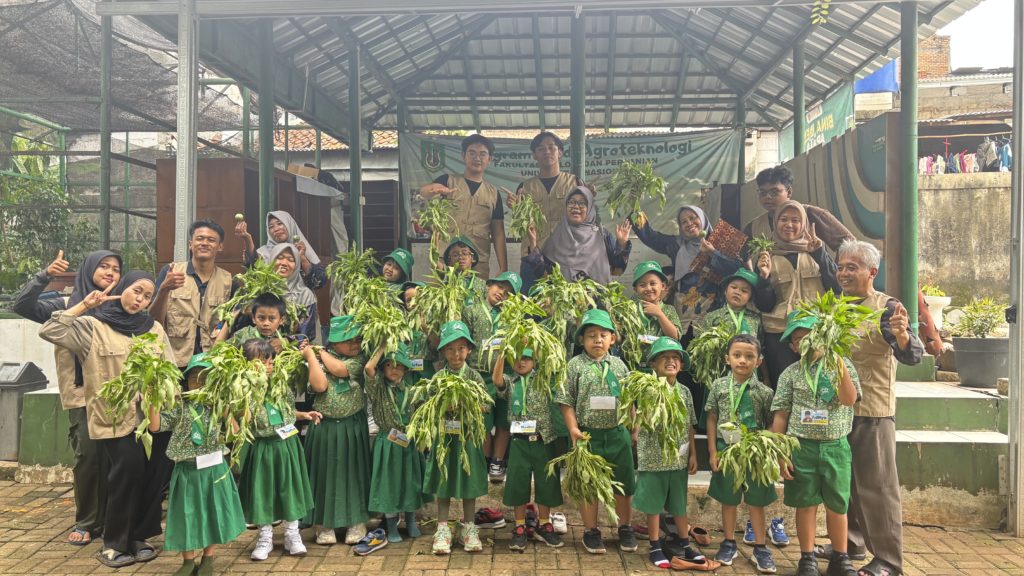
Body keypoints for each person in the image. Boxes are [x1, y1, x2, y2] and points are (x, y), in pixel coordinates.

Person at [39, 271, 174, 568]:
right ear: (122, 288)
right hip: (115, 417)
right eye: (136, 291)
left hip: (151, 417)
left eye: (147, 296)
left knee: (151, 476)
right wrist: (84, 305)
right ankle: (114, 543)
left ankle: (139, 536)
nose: (140, 300)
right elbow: (51, 330)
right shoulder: (93, 326)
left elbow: (168, 368)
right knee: (126, 474)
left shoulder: (153, 328)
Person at [12, 249, 121, 546]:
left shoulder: (118, 307)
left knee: (116, 457)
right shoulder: (64, 304)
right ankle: (87, 520)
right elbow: (21, 305)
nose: (111, 273)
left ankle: (113, 517)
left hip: (116, 395)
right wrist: (45, 276)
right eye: (104, 267)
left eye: (115, 269)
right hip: (83, 394)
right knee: (87, 457)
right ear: (88, 270)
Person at [827, 240, 923, 576]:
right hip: (839, 409)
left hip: (873, 411)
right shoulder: (837, 306)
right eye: (840, 267)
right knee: (847, 481)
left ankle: (888, 560)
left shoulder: (886, 308)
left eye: (851, 267)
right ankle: (851, 543)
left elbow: (913, 355)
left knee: (877, 486)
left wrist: (903, 337)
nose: (843, 273)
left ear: (872, 272)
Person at [771, 314, 861, 576]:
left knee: (837, 505)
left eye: (809, 336)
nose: (804, 342)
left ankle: (841, 557)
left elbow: (849, 399)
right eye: (798, 340)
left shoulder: (843, 366)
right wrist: (780, 452)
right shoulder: (790, 374)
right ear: (792, 347)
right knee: (805, 504)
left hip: (835, 446)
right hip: (802, 447)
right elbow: (781, 415)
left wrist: (839, 363)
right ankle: (807, 557)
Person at [149, 353, 246, 576]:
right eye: (194, 377)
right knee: (186, 515)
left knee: (213, 512)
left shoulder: (218, 406)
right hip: (187, 472)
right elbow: (155, 427)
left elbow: (235, 433)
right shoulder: (180, 406)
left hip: (214, 470)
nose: (199, 382)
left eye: (205, 377)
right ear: (187, 380)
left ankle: (208, 557)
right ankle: (188, 561)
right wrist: (153, 399)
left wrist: (226, 409)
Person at [554, 309, 636, 555]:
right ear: (582, 340)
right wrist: (573, 429)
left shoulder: (620, 365)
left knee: (622, 484)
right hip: (586, 436)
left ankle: (625, 527)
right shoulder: (575, 366)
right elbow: (565, 401)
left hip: (617, 433)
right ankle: (591, 531)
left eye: (603, 335)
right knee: (588, 484)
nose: (597, 340)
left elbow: (630, 398)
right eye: (591, 335)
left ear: (613, 338)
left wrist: (634, 426)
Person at [633, 338, 716, 571]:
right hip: (653, 458)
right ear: (654, 364)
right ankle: (654, 545)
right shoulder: (647, 388)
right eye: (664, 358)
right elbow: (638, 415)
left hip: (678, 459)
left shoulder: (685, 391)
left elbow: (690, 425)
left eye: (675, 358)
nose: (670, 362)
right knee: (653, 503)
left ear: (680, 365)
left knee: (679, 503)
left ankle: (685, 543)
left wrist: (692, 454)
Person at [239, 339, 321, 562]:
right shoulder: (242, 389)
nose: (268, 367)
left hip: (287, 445)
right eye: (261, 363)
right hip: (263, 447)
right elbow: (242, 419)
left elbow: (286, 410)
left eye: (270, 362)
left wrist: (304, 415)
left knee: (289, 488)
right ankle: (264, 536)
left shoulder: (279, 384)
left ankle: (292, 534)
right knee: (263, 491)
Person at [705, 334, 778, 574]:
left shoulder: (765, 392)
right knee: (729, 499)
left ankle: (760, 546)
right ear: (727, 359)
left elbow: (771, 424)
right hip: (727, 452)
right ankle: (728, 542)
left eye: (749, 356)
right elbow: (712, 417)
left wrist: (765, 449)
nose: (742, 361)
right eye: (737, 355)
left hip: (754, 456)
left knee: (756, 501)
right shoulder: (718, 386)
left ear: (759, 361)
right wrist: (713, 452)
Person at [421, 321, 491, 555]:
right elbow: (430, 403)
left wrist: (468, 405)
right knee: (444, 479)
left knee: (468, 480)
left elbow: (486, 405)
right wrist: (444, 405)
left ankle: (469, 526)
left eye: (461, 348)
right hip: (445, 438)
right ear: (442, 352)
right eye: (450, 349)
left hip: (468, 439)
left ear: (469, 350)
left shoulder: (474, 376)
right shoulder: (438, 377)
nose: (456, 354)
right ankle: (442, 528)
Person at [752, 200, 840, 386]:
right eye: (783, 219)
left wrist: (820, 255)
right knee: (784, 385)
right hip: (779, 332)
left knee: (818, 383)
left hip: (815, 328)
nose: (789, 224)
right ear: (775, 223)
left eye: (795, 220)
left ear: (804, 224)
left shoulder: (816, 251)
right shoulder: (767, 257)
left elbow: (836, 288)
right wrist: (764, 278)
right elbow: (764, 305)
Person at [306, 315, 370, 546]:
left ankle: (356, 520)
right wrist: (313, 357)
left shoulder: (359, 359)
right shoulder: (315, 360)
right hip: (324, 427)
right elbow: (319, 385)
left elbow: (341, 370)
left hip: (352, 426)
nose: (355, 344)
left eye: (357, 339)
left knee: (352, 472)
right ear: (334, 342)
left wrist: (318, 352)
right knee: (325, 474)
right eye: (348, 340)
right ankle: (324, 523)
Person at [492, 347, 564, 551]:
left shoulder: (543, 380)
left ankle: (544, 523)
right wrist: (503, 354)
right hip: (519, 442)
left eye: (526, 358)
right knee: (518, 483)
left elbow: (557, 369)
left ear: (535, 360)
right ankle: (520, 526)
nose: (521, 362)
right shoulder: (510, 382)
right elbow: (497, 380)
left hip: (543, 439)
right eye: (516, 358)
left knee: (546, 482)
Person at [631, 205, 735, 340]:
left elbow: (736, 270)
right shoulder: (676, 245)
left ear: (702, 218)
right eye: (683, 222)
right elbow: (651, 237)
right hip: (684, 313)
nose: (689, 224)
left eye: (693, 218)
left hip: (713, 309)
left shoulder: (721, 242)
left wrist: (713, 253)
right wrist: (635, 207)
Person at [362, 343, 426, 550]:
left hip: (408, 442)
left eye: (399, 365)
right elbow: (368, 369)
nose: (395, 369)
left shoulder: (413, 390)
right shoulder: (378, 388)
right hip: (387, 443)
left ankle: (411, 521)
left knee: (410, 482)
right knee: (389, 485)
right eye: (389, 365)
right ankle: (391, 525)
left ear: (406, 369)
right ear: (383, 369)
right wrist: (382, 347)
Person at [418, 134, 507, 276]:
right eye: (472, 153)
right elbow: (424, 191)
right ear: (463, 156)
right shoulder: (448, 180)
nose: (477, 158)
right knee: (442, 297)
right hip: (444, 260)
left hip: (477, 261)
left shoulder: (494, 194)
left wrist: (503, 267)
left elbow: (498, 233)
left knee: (475, 298)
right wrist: (436, 190)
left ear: (489, 159)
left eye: (482, 154)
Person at [463, 271, 522, 483]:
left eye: (507, 293)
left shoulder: (513, 317)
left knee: (504, 419)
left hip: (506, 374)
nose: (501, 294)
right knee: (482, 419)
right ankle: (485, 459)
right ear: (488, 285)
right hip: (479, 374)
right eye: (499, 287)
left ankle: (498, 461)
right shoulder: (471, 311)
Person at [150, 220, 235, 369]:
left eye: (211, 240)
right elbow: (154, 320)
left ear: (220, 246)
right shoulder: (171, 272)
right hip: (175, 361)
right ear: (191, 244)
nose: (204, 243)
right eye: (200, 238)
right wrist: (164, 289)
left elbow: (231, 320)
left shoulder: (228, 280)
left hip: (211, 362)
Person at [510, 132, 584, 292]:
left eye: (552, 147)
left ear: (560, 152)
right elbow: (520, 226)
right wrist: (515, 209)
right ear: (534, 156)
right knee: (532, 308)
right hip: (533, 255)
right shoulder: (525, 188)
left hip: (567, 255)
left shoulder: (575, 183)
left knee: (568, 305)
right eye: (541, 149)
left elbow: (586, 221)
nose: (547, 152)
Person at [524, 187, 632, 284]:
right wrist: (533, 244)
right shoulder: (557, 237)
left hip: (598, 302)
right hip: (564, 303)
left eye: (582, 203)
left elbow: (617, 271)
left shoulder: (602, 235)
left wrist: (622, 244)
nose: (576, 206)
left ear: (589, 207)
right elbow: (544, 276)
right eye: (571, 202)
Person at [744, 166, 855, 253]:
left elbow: (849, 244)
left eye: (774, 192)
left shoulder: (811, 214)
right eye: (763, 192)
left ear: (789, 192)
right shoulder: (754, 227)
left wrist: (838, 272)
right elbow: (740, 255)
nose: (768, 197)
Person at [236, 210, 327, 290]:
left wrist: (302, 257)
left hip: (302, 304)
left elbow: (318, 282)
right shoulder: (263, 253)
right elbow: (253, 269)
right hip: (272, 305)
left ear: (289, 225)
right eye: (271, 227)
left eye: (280, 223)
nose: (276, 229)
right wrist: (247, 239)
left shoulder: (302, 249)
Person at [630, 261, 683, 368]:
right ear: (635, 289)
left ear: (663, 286)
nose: (648, 288)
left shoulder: (669, 310)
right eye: (642, 285)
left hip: (661, 368)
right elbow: (625, 339)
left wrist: (659, 314)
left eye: (653, 283)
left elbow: (675, 337)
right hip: (634, 366)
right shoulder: (630, 310)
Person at [264, 243, 319, 341]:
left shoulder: (305, 295)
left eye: (291, 260)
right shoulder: (261, 289)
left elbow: (307, 334)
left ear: (297, 265)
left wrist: (285, 342)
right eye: (279, 258)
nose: (284, 263)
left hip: (294, 352)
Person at [695, 268, 762, 337]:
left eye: (744, 291)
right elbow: (698, 342)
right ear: (725, 291)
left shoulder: (755, 319)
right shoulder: (712, 317)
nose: (737, 292)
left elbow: (759, 344)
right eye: (734, 287)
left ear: (750, 298)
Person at [442, 236, 487, 306]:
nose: (460, 257)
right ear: (449, 260)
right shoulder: (447, 278)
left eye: (465, 253)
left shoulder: (482, 284)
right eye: (455, 255)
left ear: (473, 258)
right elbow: (435, 263)